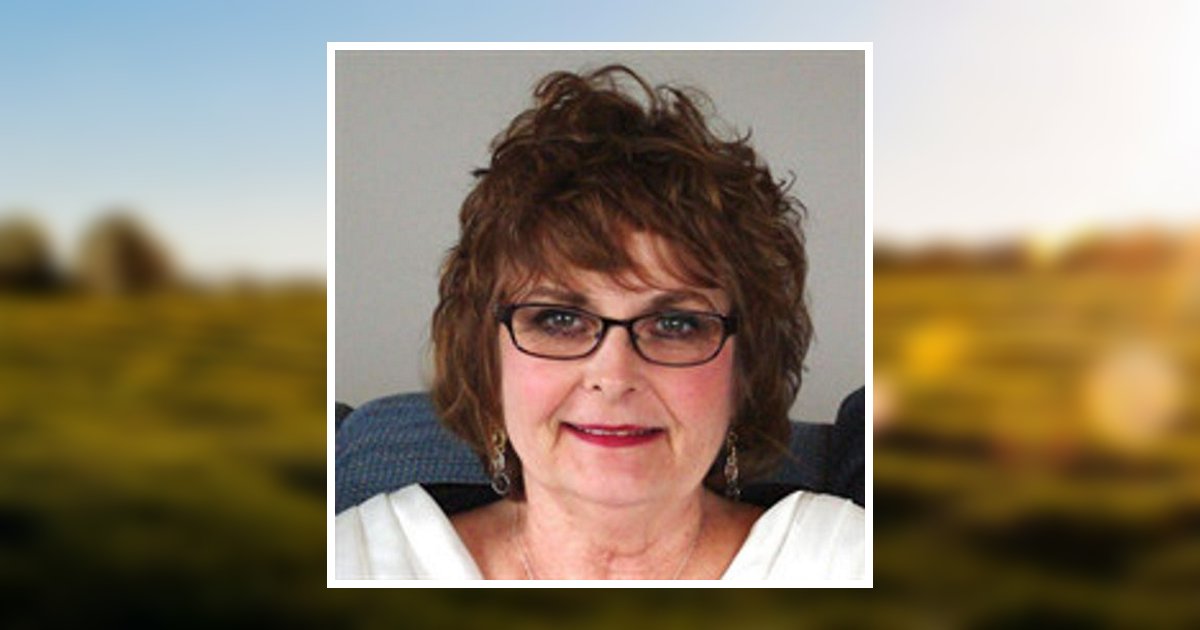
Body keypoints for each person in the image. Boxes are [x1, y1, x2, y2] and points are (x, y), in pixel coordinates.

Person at [335, 64, 864, 580]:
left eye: (675, 324)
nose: (613, 376)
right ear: (486, 360)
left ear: (746, 368)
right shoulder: (355, 560)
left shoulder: (848, 560)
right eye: (560, 319)